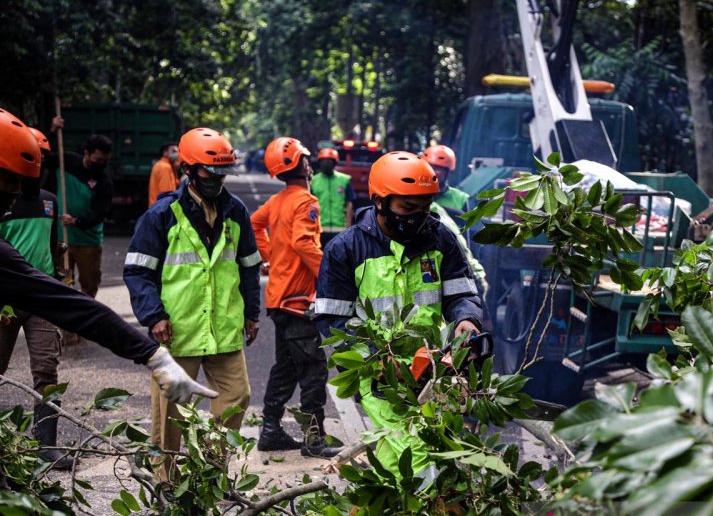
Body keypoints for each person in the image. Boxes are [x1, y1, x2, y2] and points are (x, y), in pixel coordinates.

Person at [0, 108, 216, 419]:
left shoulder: (86, 190)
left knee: (46, 369)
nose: (16, 193)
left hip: (69, 258)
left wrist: (153, 356)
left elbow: (71, 305)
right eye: (10, 181)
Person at [315, 151, 483, 476]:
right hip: (379, 374)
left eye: (425, 207)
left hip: (431, 367)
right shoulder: (346, 249)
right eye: (408, 208)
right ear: (380, 201)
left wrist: (465, 319)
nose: (418, 216)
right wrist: (374, 358)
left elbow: (461, 292)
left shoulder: (441, 238)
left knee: (402, 460)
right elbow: (332, 319)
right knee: (416, 450)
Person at [123, 127, 261, 480]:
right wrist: (153, 316)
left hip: (224, 328)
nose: (216, 179)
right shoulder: (161, 215)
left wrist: (252, 312)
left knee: (237, 396)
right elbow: (138, 273)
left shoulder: (236, 211)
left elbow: (248, 266)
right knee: (169, 416)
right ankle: (165, 485)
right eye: (208, 171)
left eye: (221, 172)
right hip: (176, 332)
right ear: (188, 169)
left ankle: (208, 475)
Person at [250, 137, 339, 458]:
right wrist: (330, 279)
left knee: (286, 366)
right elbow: (305, 244)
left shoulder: (277, 201)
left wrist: (267, 256)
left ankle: (271, 430)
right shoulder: (305, 202)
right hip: (298, 299)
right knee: (314, 368)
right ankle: (314, 439)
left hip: (278, 298)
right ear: (301, 164)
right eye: (306, 157)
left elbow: (254, 224)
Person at [0, 126, 71, 468]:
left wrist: (59, 279)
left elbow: (54, 244)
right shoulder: (3, 202)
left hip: (42, 295)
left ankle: (46, 447)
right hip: (7, 299)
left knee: (47, 372)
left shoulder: (49, 201)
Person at [50, 117, 113, 299]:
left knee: (89, 286)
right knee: (62, 283)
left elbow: (99, 214)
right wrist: (53, 131)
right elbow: (42, 155)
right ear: (87, 153)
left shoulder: (104, 182)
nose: (101, 163)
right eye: (98, 159)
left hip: (89, 243)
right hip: (64, 240)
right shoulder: (67, 161)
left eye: (105, 160)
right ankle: (63, 324)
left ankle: (84, 324)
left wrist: (76, 221)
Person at [310, 147, 355, 247]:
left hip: (339, 229)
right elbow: (309, 204)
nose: (326, 163)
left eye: (329, 160)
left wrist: (348, 226)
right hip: (319, 229)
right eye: (324, 161)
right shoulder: (313, 181)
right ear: (319, 162)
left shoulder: (344, 180)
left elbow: (349, 204)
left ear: (335, 162)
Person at [421, 144, 470, 215]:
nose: (431, 172)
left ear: (449, 172)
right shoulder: (410, 194)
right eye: (428, 167)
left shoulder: (461, 199)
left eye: (438, 168)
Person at [148, 142, 179, 206]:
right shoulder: (165, 167)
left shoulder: (166, 165)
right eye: (173, 151)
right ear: (165, 152)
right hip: (160, 209)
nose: (177, 153)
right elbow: (166, 194)